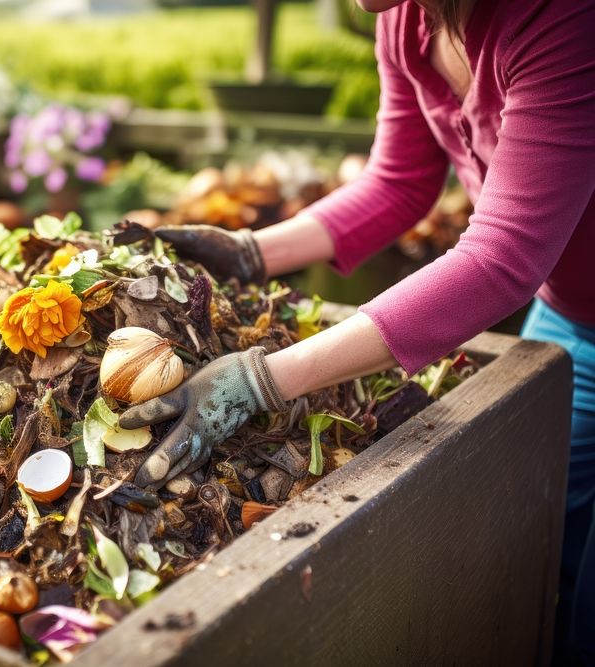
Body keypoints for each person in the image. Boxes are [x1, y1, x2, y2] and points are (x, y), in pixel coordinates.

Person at [118, 0, 595, 662]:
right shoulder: (404, 18)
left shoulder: (561, 17)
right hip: (572, 315)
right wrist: (249, 252)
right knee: (547, 539)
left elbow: (502, 258)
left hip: (556, 293)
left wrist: (259, 380)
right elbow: (397, 180)